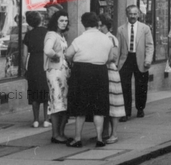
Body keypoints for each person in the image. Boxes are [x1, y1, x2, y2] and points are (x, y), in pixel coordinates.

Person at [64, 12, 115, 148]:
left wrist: (73, 62)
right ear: (97, 23)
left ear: (83, 23)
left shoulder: (79, 39)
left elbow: (68, 54)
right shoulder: (106, 39)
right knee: (99, 107)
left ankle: (77, 138)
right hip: (100, 71)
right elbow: (110, 57)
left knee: (80, 106)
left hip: (81, 71)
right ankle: (99, 138)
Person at [117, 5, 154, 120]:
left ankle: (140, 108)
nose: (132, 16)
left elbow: (149, 45)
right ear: (127, 15)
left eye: (135, 14)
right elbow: (118, 47)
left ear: (138, 14)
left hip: (140, 59)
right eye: (130, 14)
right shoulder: (120, 29)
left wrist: (148, 59)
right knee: (124, 86)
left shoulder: (145, 28)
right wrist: (115, 63)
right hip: (125, 59)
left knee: (141, 85)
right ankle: (125, 112)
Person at [43, 10, 70, 144]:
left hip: (63, 72)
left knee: (64, 102)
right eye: (61, 21)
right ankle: (56, 134)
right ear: (55, 21)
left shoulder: (61, 35)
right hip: (55, 72)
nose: (64, 23)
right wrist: (57, 56)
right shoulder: (52, 35)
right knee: (57, 101)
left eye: (66, 21)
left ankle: (61, 133)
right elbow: (47, 50)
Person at [99, 14, 124, 143]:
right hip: (101, 71)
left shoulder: (111, 38)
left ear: (107, 26)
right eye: (97, 25)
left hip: (110, 71)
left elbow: (113, 57)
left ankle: (114, 134)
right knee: (104, 104)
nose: (99, 27)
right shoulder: (98, 37)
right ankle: (104, 133)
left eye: (101, 25)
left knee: (114, 103)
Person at [23, 11, 50, 128]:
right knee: (45, 90)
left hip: (33, 63)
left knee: (34, 91)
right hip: (44, 61)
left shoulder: (28, 35)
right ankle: (46, 120)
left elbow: (24, 54)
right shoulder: (47, 32)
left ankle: (35, 120)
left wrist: (25, 68)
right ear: (40, 20)